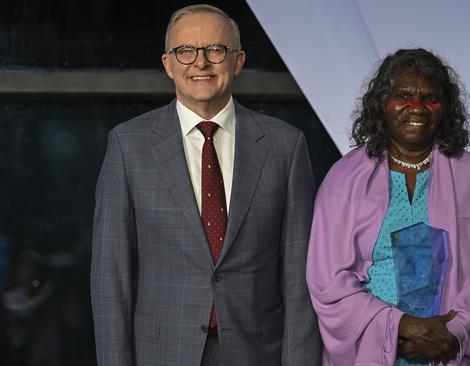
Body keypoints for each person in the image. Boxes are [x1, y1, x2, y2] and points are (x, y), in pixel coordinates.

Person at [91, 4, 321, 366]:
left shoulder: (285, 145)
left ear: (238, 61)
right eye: (185, 51)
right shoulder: (128, 144)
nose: (200, 63)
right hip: (161, 353)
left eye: (216, 50)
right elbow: (111, 277)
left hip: (258, 352)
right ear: (168, 64)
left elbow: (300, 281)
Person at [306, 48, 470, 365]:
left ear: (444, 108)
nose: (417, 107)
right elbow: (327, 282)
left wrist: (451, 334)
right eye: (403, 95)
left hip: (450, 349)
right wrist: (400, 327)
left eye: (430, 98)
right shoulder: (343, 179)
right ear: (382, 105)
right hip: (371, 350)